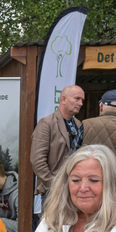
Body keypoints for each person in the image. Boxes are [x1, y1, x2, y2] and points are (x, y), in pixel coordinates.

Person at [30, 85, 84, 216]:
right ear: (64, 99)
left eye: (82, 100)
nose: (81, 103)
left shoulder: (80, 125)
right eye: (77, 99)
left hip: (75, 191)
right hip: (52, 193)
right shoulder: (46, 123)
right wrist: (55, 186)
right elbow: (37, 160)